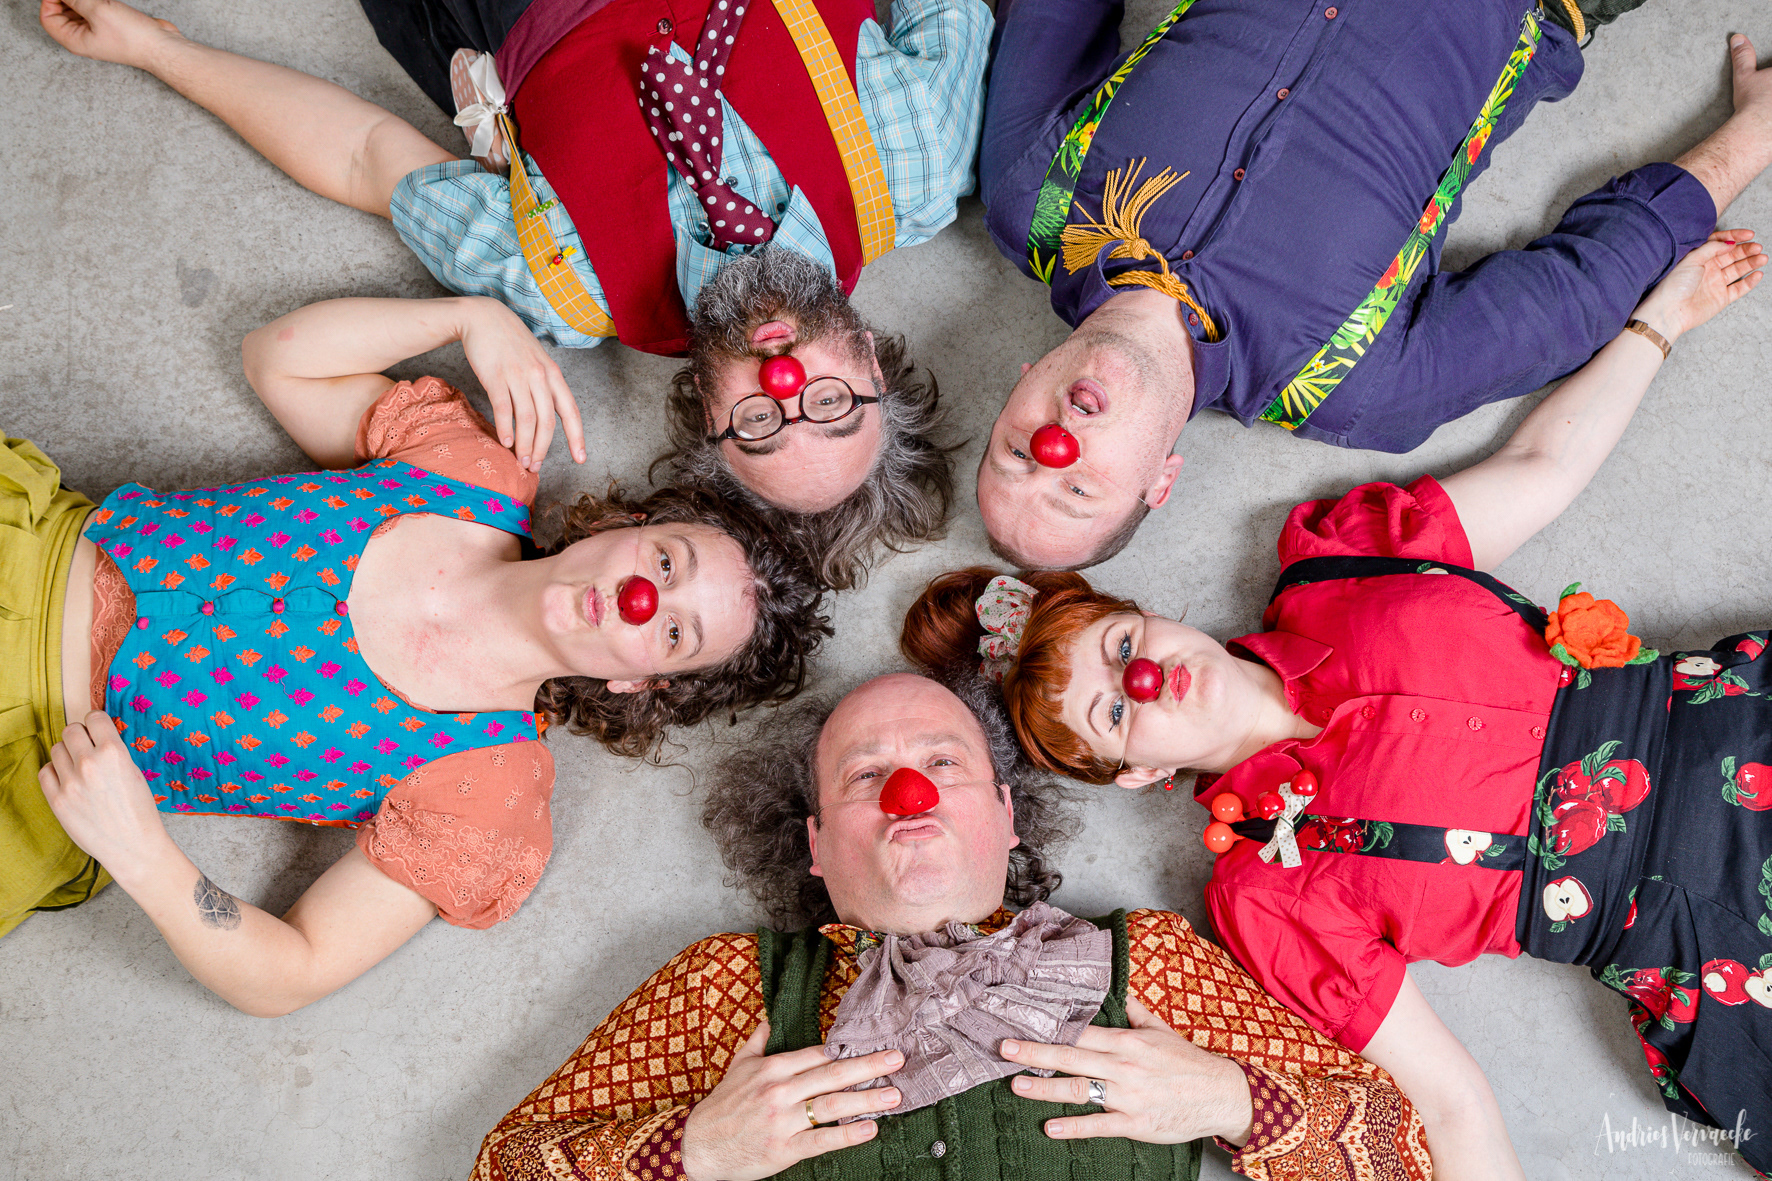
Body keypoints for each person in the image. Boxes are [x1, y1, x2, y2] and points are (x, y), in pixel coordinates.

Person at [901, 229, 1772, 1177]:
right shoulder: (1264, 897)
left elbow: (1542, 468)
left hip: (1732, 722)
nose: (1143, 677)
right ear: (1139, 773)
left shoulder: (1334, 563)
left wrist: (1662, 319)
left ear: (1148, 618)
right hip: (1706, 939)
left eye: (1120, 648)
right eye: (1115, 713)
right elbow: (1451, 1100)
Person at [3, 292, 830, 1017]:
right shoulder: (470, 469)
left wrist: (143, 856)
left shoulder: (490, 798)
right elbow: (275, 358)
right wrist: (469, 317)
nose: (640, 597)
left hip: (30, 767)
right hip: (28, 546)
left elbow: (292, 972)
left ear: (639, 680)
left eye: (674, 632)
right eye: (667, 563)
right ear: (630, 526)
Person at [38, 0, 971, 587]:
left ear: (707, 411)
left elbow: (365, 157)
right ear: (872, 362)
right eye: (831, 405)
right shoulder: (914, 166)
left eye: (761, 425)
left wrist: (157, 52)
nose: (782, 382)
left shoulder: (564, 287)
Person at [471, 670, 1434, 1180]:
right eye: (865, 774)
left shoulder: (1147, 962)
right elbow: (505, 1169)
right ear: (815, 844)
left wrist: (1233, 1100)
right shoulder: (729, 986)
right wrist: (688, 1153)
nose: (910, 790)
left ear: (1008, 816)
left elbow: (1399, 1151)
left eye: (944, 761)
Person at [972, 0, 1772, 570]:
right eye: (1078, 488)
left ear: (1019, 386)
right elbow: (1581, 292)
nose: (1055, 446)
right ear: (1161, 481)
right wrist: (1754, 136)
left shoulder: (1031, 195)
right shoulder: (1352, 386)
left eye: (1017, 452)